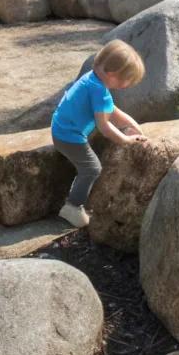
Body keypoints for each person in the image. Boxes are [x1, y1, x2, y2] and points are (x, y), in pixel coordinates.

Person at [51, 41, 146, 229]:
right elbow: (104, 126)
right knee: (92, 168)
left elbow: (112, 111)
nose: (127, 85)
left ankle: (75, 199)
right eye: (126, 80)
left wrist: (134, 126)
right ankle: (72, 206)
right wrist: (125, 140)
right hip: (68, 136)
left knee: (89, 161)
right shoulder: (98, 91)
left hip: (61, 127)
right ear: (112, 74)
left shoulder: (92, 79)